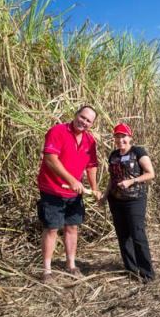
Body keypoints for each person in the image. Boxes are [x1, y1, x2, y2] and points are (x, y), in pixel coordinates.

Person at [36, 105, 102, 283]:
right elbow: (50, 159)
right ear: (75, 115)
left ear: (92, 124)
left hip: (74, 193)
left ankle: (71, 264)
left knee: (72, 227)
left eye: (89, 120)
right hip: (53, 189)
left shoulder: (90, 140)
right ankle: (47, 270)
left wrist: (94, 188)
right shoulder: (57, 131)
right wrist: (72, 180)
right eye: (82, 117)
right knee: (51, 228)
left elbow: (91, 166)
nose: (84, 122)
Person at [101, 123, 156, 282]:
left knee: (137, 234)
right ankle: (131, 269)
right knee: (123, 235)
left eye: (123, 136)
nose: (120, 140)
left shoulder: (138, 152)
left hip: (135, 199)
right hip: (116, 200)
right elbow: (112, 179)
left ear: (130, 137)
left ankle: (147, 273)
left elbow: (150, 174)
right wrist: (105, 196)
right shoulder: (113, 155)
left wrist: (131, 181)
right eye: (117, 136)